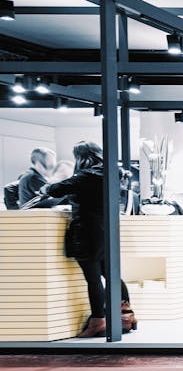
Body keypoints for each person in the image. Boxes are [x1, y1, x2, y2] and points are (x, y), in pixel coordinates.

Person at [39, 142, 135, 337]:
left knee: (93, 278)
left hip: (88, 232)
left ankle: (98, 321)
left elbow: (56, 189)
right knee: (111, 275)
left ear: (81, 157)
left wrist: (45, 189)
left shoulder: (86, 176)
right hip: (107, 231)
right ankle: (126, 316)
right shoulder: (114, 173)